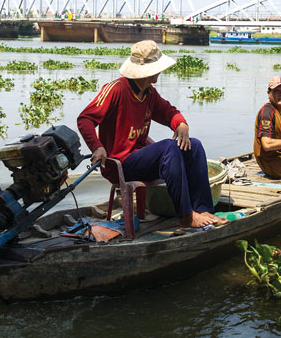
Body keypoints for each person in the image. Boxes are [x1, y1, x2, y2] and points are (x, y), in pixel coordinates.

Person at [77, 40, 227, 228]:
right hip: (119, 164)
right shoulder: (117, 89)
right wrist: (97, 147)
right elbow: (85, 119)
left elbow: (169, 112)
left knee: (194, 145)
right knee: (169, 148)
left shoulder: (149, 93)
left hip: (140, 159)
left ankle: (203, 209)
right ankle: (186, 216)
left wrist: (181, 123)